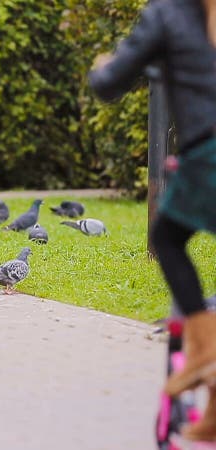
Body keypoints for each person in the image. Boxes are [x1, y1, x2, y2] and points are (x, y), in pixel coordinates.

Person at [89, 0, 216, 441]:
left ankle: (203, 348)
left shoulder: (169, 12)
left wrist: (102, 67)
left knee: (167, 237)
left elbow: (108, 84)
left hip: (208, 155)